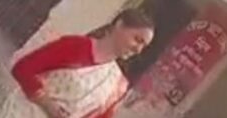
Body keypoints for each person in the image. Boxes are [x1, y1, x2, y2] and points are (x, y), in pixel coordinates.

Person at [9, 9, 155, 118]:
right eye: (137, 39)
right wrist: (47, 104)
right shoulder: (75, 46)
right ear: (119, 25)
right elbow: (22, 68)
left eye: (144, 46)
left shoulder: (117, 84)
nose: (138, 49)